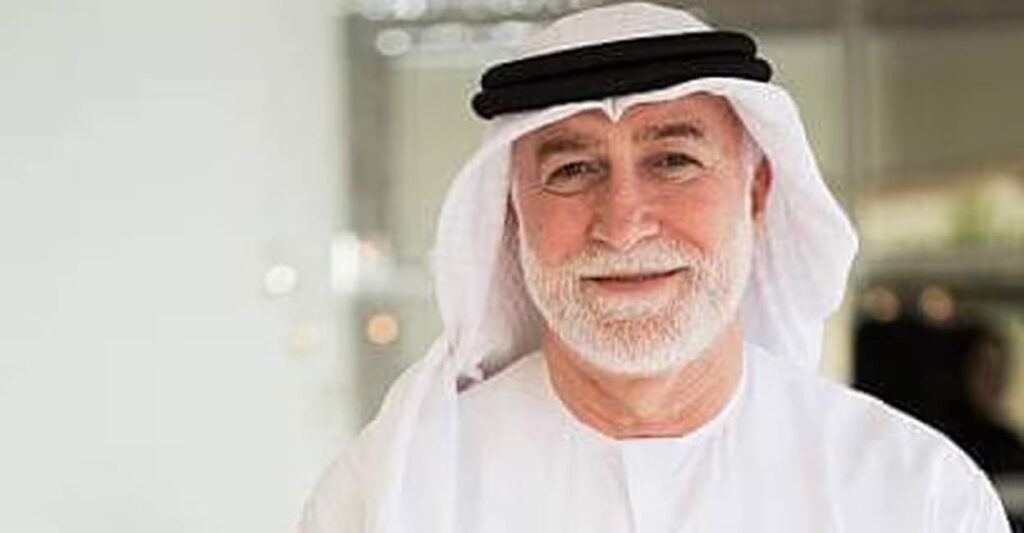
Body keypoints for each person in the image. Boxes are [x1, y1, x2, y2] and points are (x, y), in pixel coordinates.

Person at [300, 3, 1012, 532]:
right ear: (512, 215)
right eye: (572, 169)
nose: (623, 224)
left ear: (756, 193)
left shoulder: (913, 493)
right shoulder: (391, 496)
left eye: (673, 160)